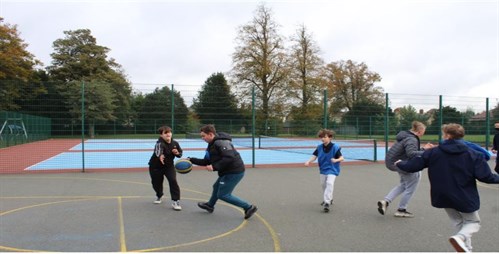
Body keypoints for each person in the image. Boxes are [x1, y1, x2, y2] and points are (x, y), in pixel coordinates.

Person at [395, 123, 499, 252]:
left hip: (442, 194)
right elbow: (486, 177)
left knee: (458, 222)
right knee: (472, 222)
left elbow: (414, 165)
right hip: (464, 194)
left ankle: (466, 248)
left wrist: (400, 163)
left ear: (448, 136)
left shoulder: (433, 152)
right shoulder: (473, 154)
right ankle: (461, 238)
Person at [186, 124, 258, 220]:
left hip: (234, 171)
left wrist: (214, 166)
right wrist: (191, 160)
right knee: (216, 187)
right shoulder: (211, 145)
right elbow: (206, 161)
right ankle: (210, 205)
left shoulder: (221, 142)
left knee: (223, 195)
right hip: (227, 171)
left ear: (211, 134)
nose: (202, 138)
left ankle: (249, 207)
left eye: (203, 136)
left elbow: (229, 157)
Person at [377, 121, 434, 218]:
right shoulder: (412, 139)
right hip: (404, 164)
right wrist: (425, 149)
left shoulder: (406, 136)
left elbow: (410, 150)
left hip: (397, 163)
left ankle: (386, 201)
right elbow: (411, 153)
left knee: (403, 185)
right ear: (420, 131)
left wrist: (422, 149)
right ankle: (401, 210)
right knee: (410, 188)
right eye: (424, 131)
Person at [305, 129, 344, 213]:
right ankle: (330, 198)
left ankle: (327, 202)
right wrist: (308, 161)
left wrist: (336, 160)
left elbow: (342, 158)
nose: (323, 139)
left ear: (330, 138)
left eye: (325, 137)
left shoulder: (335, 147)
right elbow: (314, 156)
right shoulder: (319, 147)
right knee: (324, 185)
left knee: (330, 183)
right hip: (323, 169)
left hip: (332, 169)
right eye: (321, 137)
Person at [148, 126, 183, 210]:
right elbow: (158, 151)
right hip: (155, 167)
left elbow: (180, 153)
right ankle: (159, 195)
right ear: (161, 135)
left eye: (169, 132)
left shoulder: (175, 143)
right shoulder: (159, 144)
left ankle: (176, 201)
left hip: (168, 166)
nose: (168, 134)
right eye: (165, 133)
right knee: (156, 184)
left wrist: (177, 153)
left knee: (173, 181)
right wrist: (160, 155)